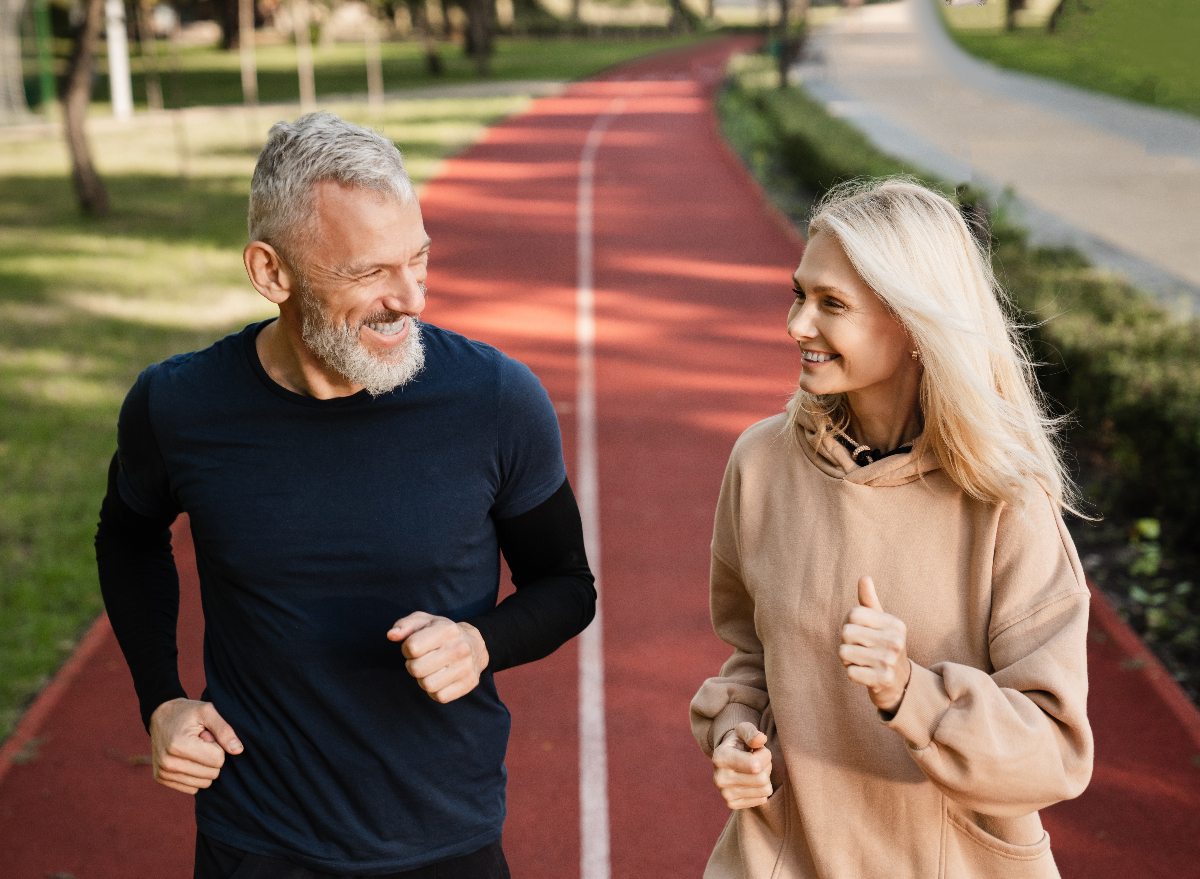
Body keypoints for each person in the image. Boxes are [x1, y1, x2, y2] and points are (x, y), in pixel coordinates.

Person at [95, 111, 596, 879]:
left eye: (418, 259)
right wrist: (161, 699)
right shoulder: (177, 407)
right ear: (272, 272)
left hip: (445, 839)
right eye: (370, 273)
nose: (412, 299)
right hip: (256, 841)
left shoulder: (496, 399)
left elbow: (566, 586)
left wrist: (479, 642)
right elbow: (127, 536)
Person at [690, 179, 1093, 879]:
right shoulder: (759, 463)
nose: (796, 325)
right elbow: (753, 656)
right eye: (799, 293)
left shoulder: (1007, 498)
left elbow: (1054, 751)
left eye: (831, 305)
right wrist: (736, 732)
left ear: (912, 325)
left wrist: (910, 689)